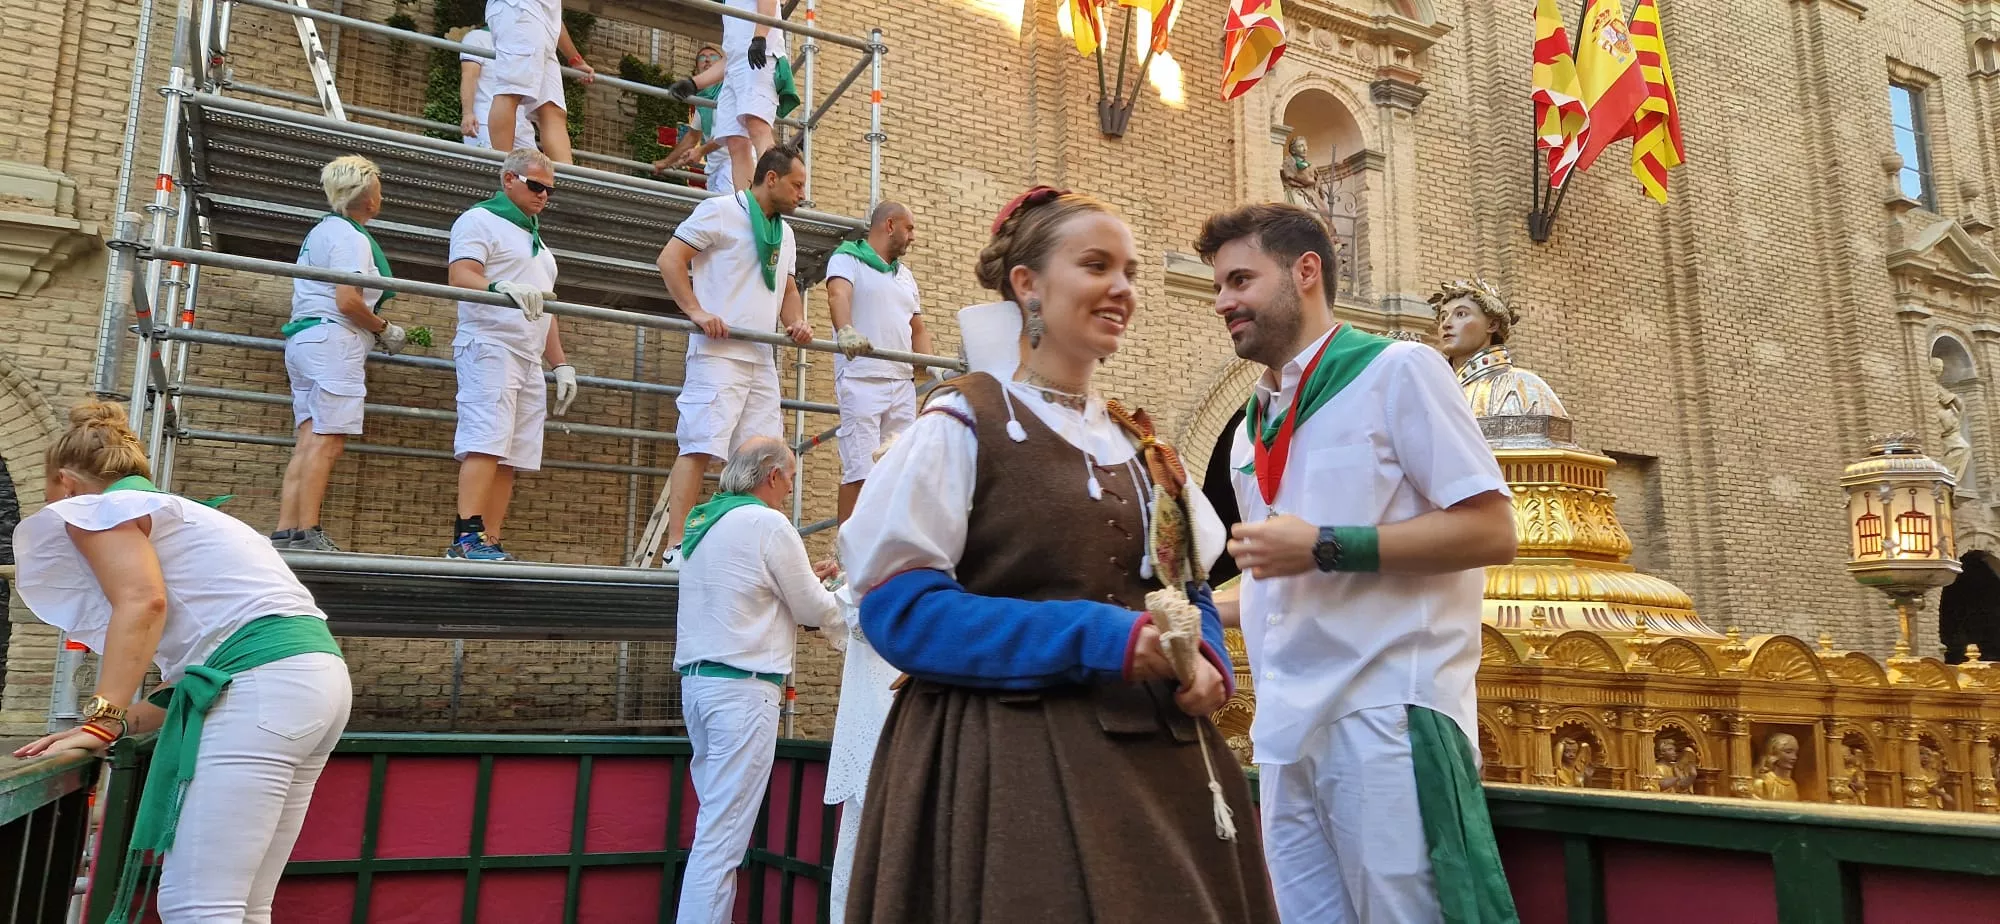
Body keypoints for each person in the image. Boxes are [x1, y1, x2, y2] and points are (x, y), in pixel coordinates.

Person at [838, 187, 1276, 923]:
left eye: (1131, 271)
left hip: (1163, 769)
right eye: (1097, 265)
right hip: (1008, 764)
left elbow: (1184, 585)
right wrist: (1103, 639)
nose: (1123, 289)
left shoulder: (1144, 448)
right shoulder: (961, 421)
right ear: (1027, 284)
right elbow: (900, 612)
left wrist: (1209, 658)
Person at [1196, 202, 1520, 923]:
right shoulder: (1253, 425)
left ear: (1305, 272)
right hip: (1284, 732)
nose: (1223, 301)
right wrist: (1179, 609)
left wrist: (1322, 543)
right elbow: (1276, 584)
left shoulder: (1400, 369)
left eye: (1240, 279)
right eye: (1219, 285)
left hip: (1385, 715)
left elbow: (1493, 531)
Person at [12, 402, 352, 924]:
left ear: (64, 482)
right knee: (243, 905)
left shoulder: (93, 508)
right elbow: (184, 686)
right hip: (312, 683)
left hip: (264, 687)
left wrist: (101, 722)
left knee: (197, 906)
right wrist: (118, 721)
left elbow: (142, 602)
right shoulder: (190, 517)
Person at [672, 437, 839, 924]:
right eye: (789, 478)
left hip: (700, 686)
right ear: (772, 476)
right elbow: (808, 607)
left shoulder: (705, 522)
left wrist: (806, 578)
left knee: (714, 829)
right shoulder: (769, 522)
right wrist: (846, 602)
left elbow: (747, 590)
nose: (789, 489)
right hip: (742, 691)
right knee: (721, 841)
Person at [654, 145, 814, 570]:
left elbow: (789, 289)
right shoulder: (720, 210)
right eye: (797, 185)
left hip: (761, 356)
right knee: (700, 445)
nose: (803, 194)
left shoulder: (787, 234)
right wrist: (696, 311)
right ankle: (675, 548)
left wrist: (795, 321)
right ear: (772, 178)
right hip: (718, 352)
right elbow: (671, 258)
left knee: (766, 457)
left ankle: (751, 549)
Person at [446, 147, 579, 561]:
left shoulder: (535, 239)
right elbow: (460, 273)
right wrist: (496, 287)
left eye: (549, 191)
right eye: (536, 186)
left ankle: (490, 537)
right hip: (490, 344)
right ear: (509, 180)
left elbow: (546, 307)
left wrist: (560, 364)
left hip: (526, 356)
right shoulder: (479, 219)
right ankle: (465, 536)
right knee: (485, 441)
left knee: (513, 453)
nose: (544, 197)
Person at [275, 155, 405, 552]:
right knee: (329, 438)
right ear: (368, 198)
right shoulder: (350, 237)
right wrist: (384, 329)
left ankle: (286, 531)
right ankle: (309, 531)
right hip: (334, 339)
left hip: (305, 339)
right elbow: (348, 299)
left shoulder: (322, 232)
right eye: (378, 189)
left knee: (310, 436)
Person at [826, 201, 931, 523]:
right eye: (909, 228)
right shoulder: (847, 258)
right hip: (862, 378)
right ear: (889, 225)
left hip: (901, 385)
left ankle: (888, 548)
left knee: (899, 471)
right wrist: (845, 329)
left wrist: (927, 367)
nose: (913, 236)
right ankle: (844, 558)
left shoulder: (905, 276)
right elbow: (837, 295)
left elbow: (917, 327)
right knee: (860, 470)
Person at [482, 0, 594, 164]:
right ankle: (504, 170)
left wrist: (575, 59)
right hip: (519, 10)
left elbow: (553, 16)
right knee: (511, 91)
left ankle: (566, 181)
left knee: (552, 108)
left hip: (539, 21)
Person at [714, 0, 788, 192]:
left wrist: (760, 37)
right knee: (735, 140)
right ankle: (745, 205)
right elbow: (729, 57)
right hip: (735, 67)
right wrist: (694, 83)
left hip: (758, 57)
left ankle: (774, 193)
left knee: (757, 125)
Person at [654, 44, 730, 192]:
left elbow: (729, 132)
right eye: (702, 57)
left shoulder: (727, 91)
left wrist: (700, 151)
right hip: (715, 168)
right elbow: (692, 137)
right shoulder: (702, 101)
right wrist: (667, 162)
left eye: (713, 57)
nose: (707, 60)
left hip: (734, 164)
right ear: (696, 70)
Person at [458, 24, 539, 151]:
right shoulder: (477, 37)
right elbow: (469, 76)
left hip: (522, 125)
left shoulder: (524, 41)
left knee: (530, 168)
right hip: (484, 121)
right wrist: (467, 113)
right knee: (490, 167)